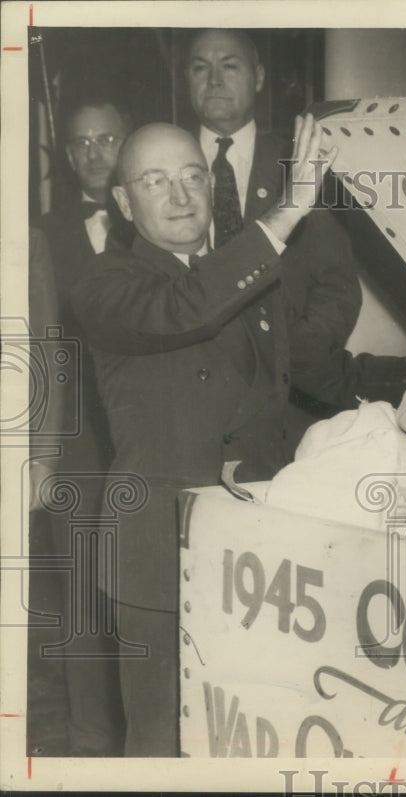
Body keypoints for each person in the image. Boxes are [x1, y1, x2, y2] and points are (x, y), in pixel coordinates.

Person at [71, 118, 406, 756]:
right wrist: (283, 219)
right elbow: (184, 308)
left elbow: (312, 369)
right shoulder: (105, 285)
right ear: (123, 202)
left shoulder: (253, 277)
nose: (179, 195)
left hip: (256, 554)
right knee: (162, 736)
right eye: (154, 181)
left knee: (247, 728)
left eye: (192, 175)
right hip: (158, 553)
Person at [184, 28, 398, 425]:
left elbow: (337, 286)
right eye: (201, 67)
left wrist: (296, 355)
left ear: (260, 77)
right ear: (186, 79)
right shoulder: (165, 165)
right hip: (193, 401)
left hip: (289, 406)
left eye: (229, 66)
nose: (214, 79)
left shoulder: (301, 162)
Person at [36, 94, 133, 756]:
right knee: (81, 594)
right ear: (67, 156)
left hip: (147, 433)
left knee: (144, 587)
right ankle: (90, 738)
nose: (95, 153)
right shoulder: (41, 233)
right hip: (77, 440)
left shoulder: (158, 217)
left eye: (107, 139)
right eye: (82, 144)